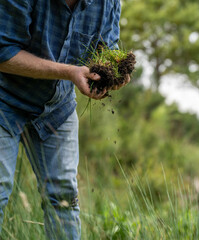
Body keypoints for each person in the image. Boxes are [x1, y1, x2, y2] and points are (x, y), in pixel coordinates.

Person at [0, 0, 129, 239]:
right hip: (4, 99)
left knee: (64, 198)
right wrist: (69, 72)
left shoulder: (108, 3)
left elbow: (105, 50)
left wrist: (112, 73)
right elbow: (3, 52)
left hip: (57, 107)